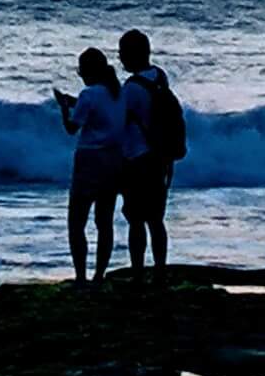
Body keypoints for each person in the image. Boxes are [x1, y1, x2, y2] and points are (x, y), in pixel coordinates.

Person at [53, 46, 139, 283]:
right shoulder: (118, 93)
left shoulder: (88, 94)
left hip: (89, 161)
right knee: (104, 222)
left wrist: (64, 108)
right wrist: (74, 102)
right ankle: (99, 275)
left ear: (87, 72)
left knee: (77, 222)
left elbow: (72, 128)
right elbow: (100, 111)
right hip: (114, 160)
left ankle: (81, 277)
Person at [116, 29, 184, 274]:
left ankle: (137, 272)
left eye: (122, 52)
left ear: (132, 54)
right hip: (162, 156)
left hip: (137, 158)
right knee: (156, 220)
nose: (120, 58)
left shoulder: (131, 88)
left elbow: (117, 119)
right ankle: (160, 270)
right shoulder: (159, 76)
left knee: (136, 220)